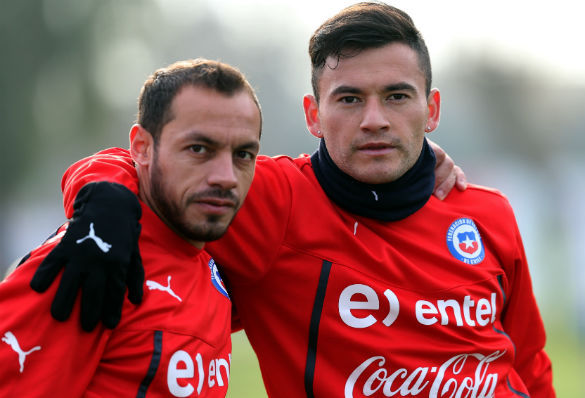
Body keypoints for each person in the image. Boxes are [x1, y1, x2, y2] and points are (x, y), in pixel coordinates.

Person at [30, 2, 555, 397]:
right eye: (349, 99)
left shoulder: (487, 213)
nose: (374, 119)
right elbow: (154, 162)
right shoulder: (272, 201)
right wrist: (103, 200)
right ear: (313, 115)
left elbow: (530, 363)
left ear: (431, 109)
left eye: (397, 96)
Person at [0, 59, 263, 396]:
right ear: (142, 147)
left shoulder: (214, 259)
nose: (226, 176)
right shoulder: (90, 261)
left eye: (243, 154)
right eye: (198, 149)